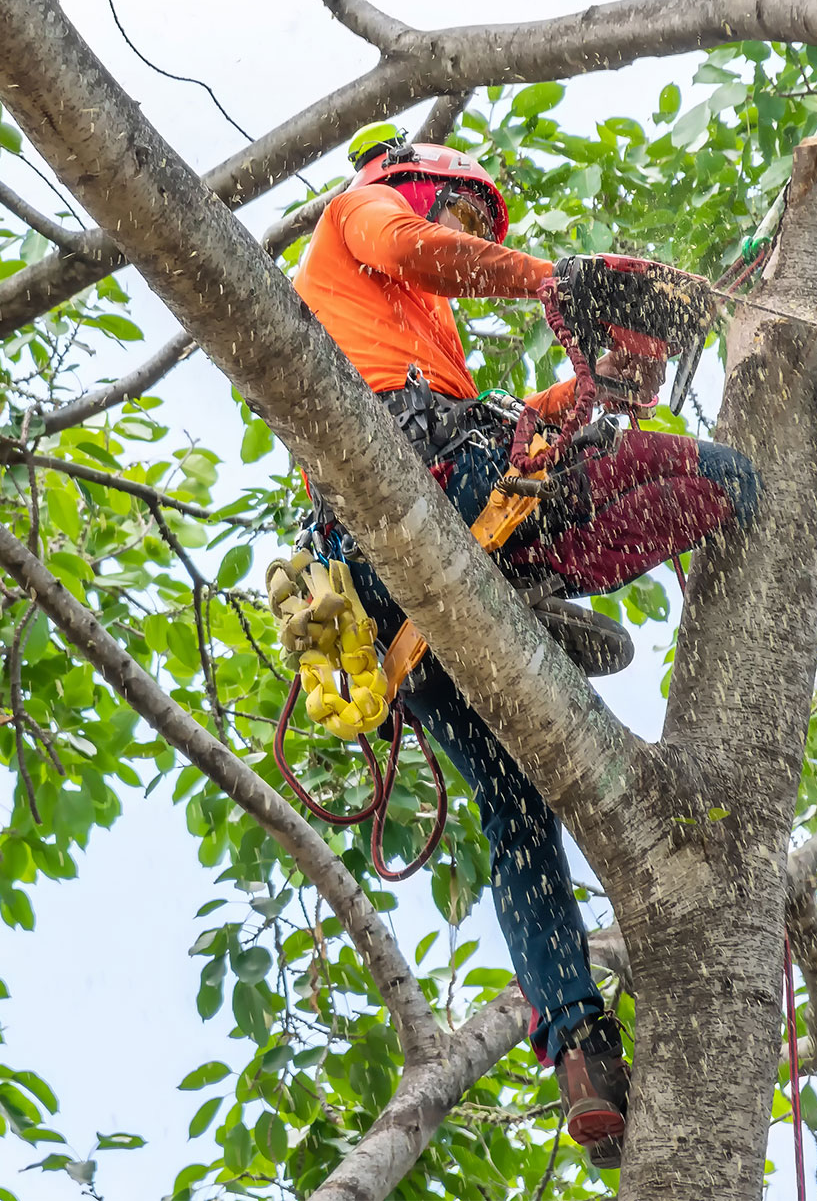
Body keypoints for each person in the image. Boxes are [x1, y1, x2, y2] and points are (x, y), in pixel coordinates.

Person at [289, 131, 760, 1165]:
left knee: (519, 823)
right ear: (417, 186)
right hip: (419, 497)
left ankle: (578, 1049)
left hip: (415, 601)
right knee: (716, 474)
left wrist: (598, 389)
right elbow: (416, 250)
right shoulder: (360, 218)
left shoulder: (420, 339)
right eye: (462, 216)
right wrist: (557, 283)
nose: (463, 241)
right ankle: (527, 590)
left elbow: (514, 429)